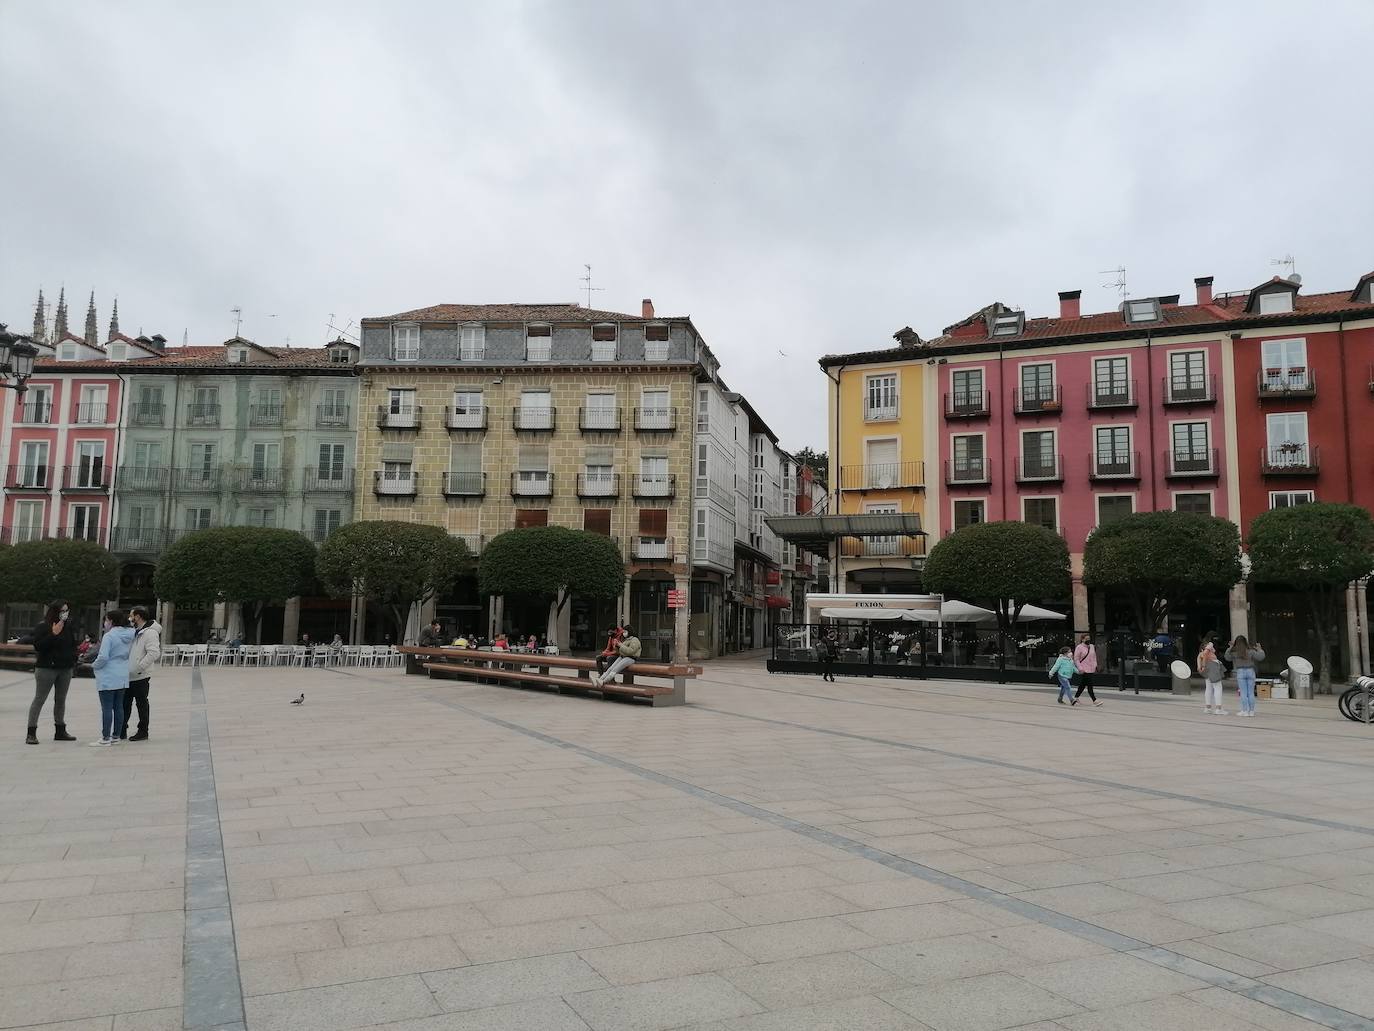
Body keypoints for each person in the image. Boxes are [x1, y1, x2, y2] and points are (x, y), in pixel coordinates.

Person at [27, 600, 80, 745]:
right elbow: (38, 646)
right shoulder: (43, 626)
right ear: (55, 611)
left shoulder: (68, 626)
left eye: (67, 610)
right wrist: (53, 634)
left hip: (65, 668)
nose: (65, 613)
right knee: (40, 699)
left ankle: (60, 730)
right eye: (63, 610)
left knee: (61, 700)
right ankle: (31, 732)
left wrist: (73, 660)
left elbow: (71, 645)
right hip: (46, 668)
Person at [90, 611, 135, 747]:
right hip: (122, 673)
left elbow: (103, 657)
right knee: (119, 706)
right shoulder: (130, 634)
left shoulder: (109, 636)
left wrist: (94, 665)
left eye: (106, 620)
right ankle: (116, 735)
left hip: (108, 675)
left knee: (107, 707)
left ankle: (105, 737)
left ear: (111, 621)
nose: (105, 623)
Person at [120, 606, 161, 741]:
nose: (130, 618)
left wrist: (140, 667)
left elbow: (154, 652)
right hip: (128, 675)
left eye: (131, 615)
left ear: (138, 616)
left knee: (141, 703)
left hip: (140, 675)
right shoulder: (134, 631)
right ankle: (122, 729)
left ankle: (143, 730)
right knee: (125, 703)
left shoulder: (150, 633)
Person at [1226, 635, 1266, 717]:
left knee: (1243, 693)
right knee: (1250, 693)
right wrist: (1259, 649)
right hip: (1250, 671)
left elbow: (1227, 657)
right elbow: (1261, 657)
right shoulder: (1250, 651)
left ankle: (1244, 711)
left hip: (1240, 672)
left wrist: (1230, 647)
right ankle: (1251, 711)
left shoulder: (1235, 652)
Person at [1072, 633, 1102, 706]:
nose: (1088, 640)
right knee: (1090, 684)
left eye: (1089, 638)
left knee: (1083, 684)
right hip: (1084, 669)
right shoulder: (1079, 647)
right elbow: (1076, 659)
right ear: (1082, 639)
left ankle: (1075, 698)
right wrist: (1080, 668)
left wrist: (1095, 665)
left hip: (1091, 669)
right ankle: (1094, 700)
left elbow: (1094, 657)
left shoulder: (1092, 646)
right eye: (1086, 639)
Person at [1198, 640, 1226, 714]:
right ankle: (1218, 708)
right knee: (1218, 687)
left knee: (1208, 688)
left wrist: (1201, 667)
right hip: (1212, 667)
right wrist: (1209, 646)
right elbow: (1206, 652)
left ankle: (1208, 707)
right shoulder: (1207, 650)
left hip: (1207, 669)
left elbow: (1199, 661)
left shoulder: (1200, 654)